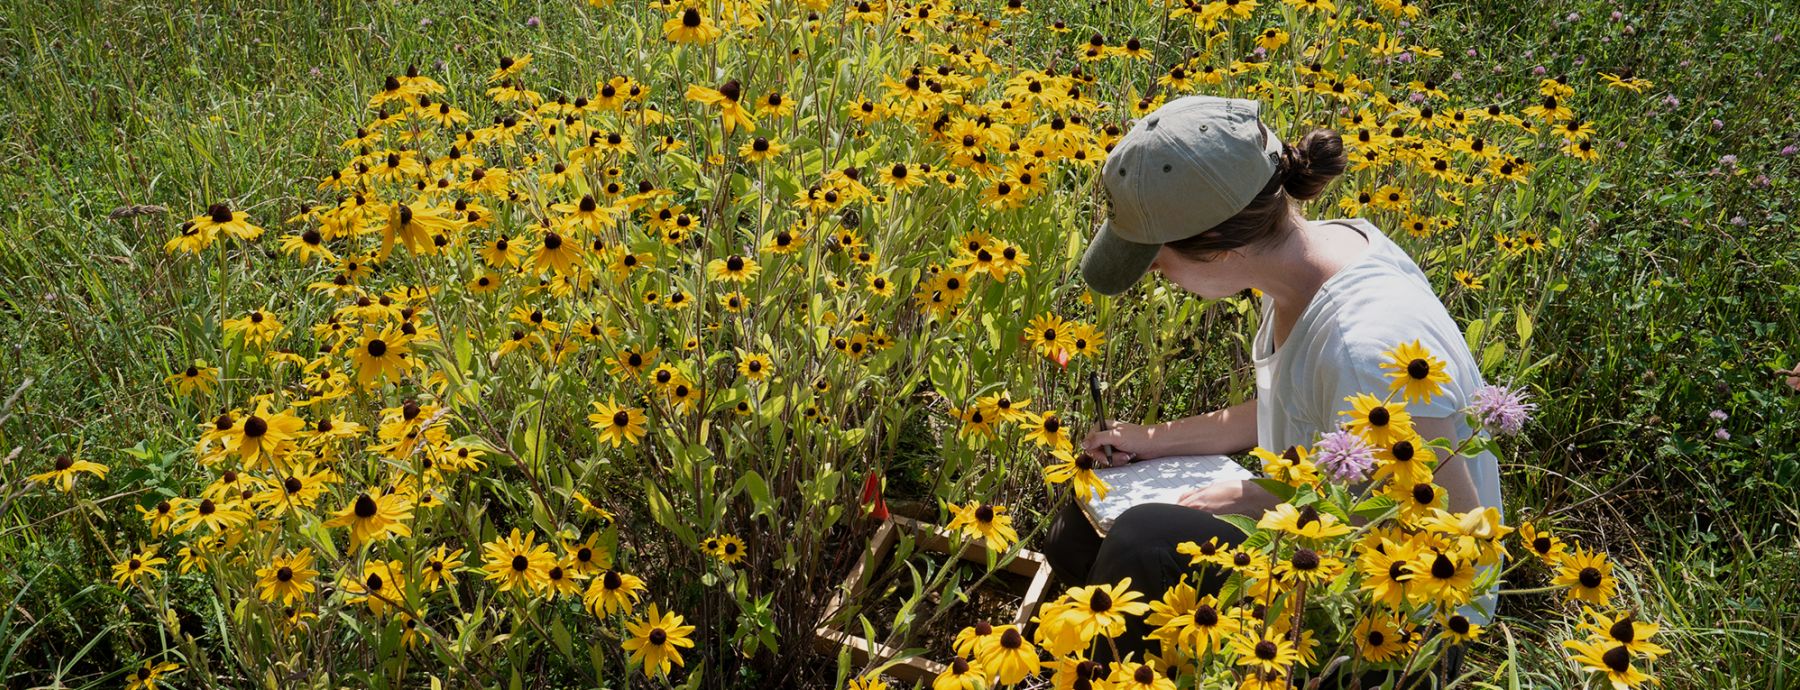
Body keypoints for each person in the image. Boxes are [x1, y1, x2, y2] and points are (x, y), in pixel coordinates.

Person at [1039, 95, 1504, 667]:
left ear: (1218, 250)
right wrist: (1154, 441)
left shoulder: (1367, 344)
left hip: (1398, 623)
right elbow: (1296, 404)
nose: (1153, 277)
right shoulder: (1306, 262)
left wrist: (1266, 500)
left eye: (1156, 262)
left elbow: (1453, 528)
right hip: (1326, 535)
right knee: (1076, 533)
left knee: (1140, 545)